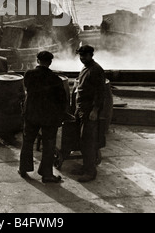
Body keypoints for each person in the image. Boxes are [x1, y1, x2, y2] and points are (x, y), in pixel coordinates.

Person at [19, 51, 66, 183]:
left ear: (37, 60)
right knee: (49, 144)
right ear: (50, 62)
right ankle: (46, 174)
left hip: (31, 114)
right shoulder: (55, 79)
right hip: (48, 117)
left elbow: (27, 88)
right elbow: (62, 100)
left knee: (28, 141)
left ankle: (23, 168)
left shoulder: (29, 74)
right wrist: (61, 116)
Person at [73, 45, 105, 183]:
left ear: (91, 55)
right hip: (82, 109)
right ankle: (85, 166)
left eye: (84, 56)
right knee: (82, 139)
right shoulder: (86, 67)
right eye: (80, 56)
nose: (82, 58)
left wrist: (95, 110)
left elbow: (100, 93)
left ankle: (90, 172)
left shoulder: (96, 70)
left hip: (89, 110)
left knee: (88, 141)